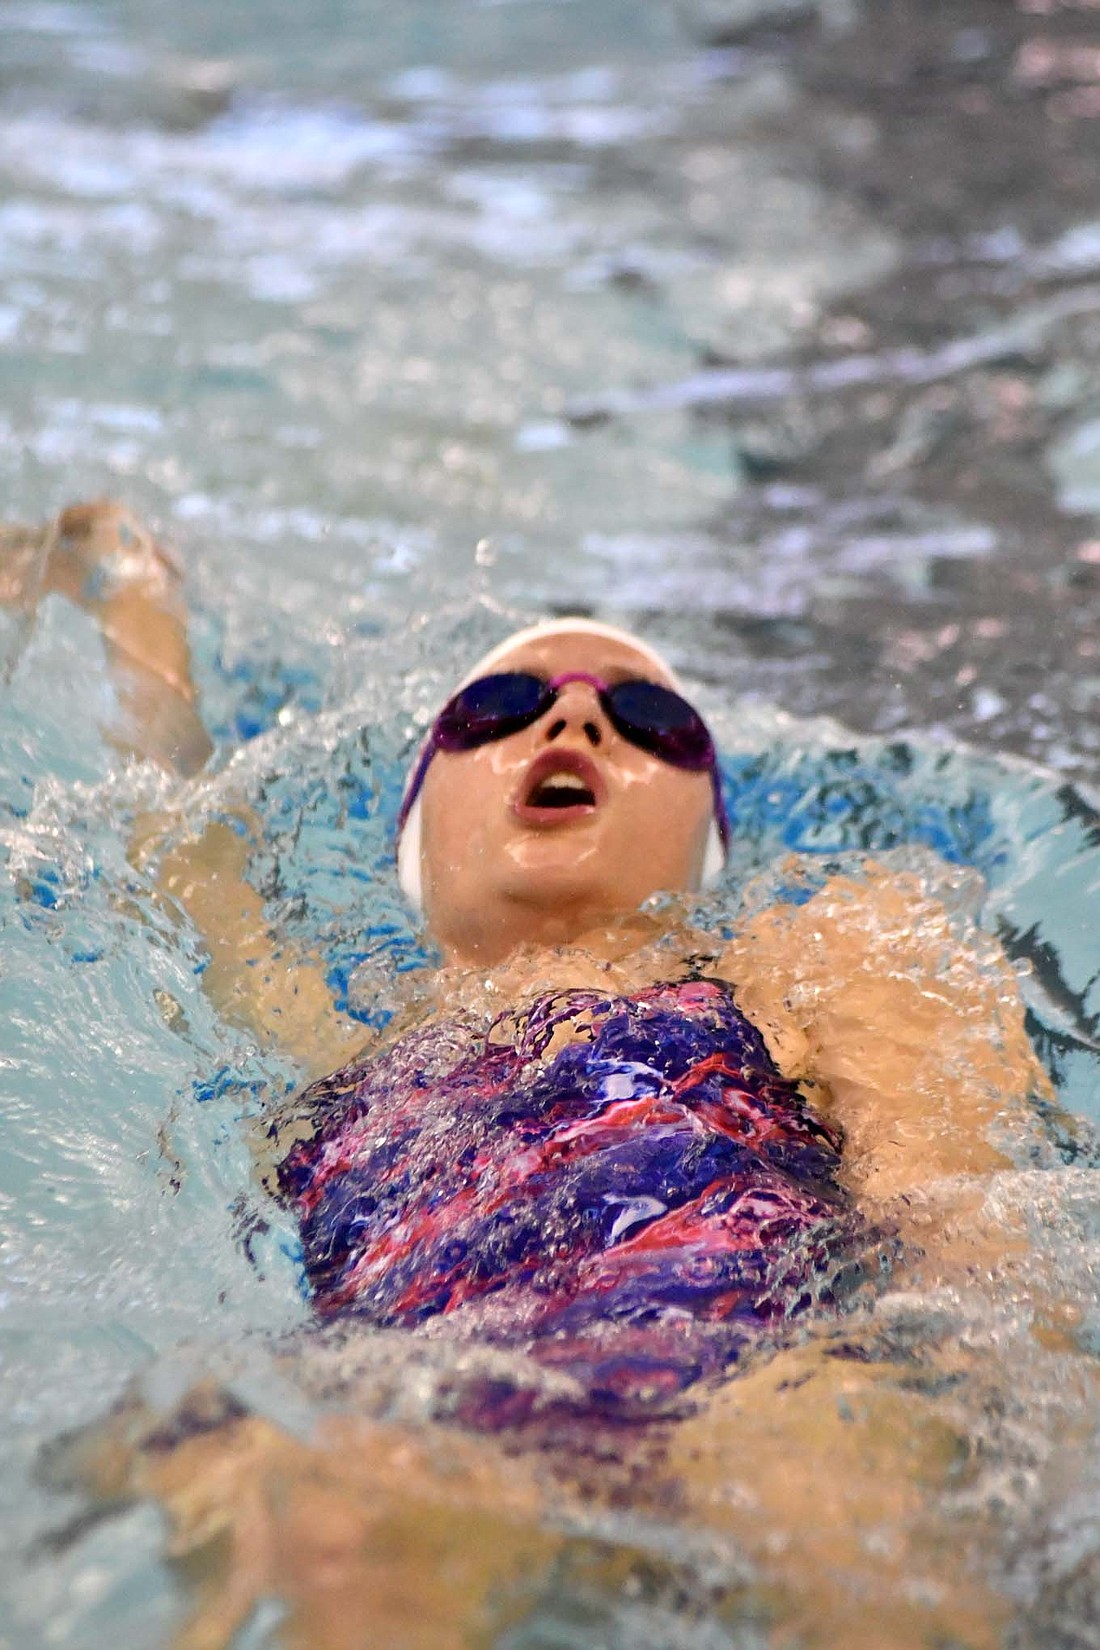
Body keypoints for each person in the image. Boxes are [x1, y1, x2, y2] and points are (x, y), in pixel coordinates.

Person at [8, 501, 1064, 1650]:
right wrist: (126, 585)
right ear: (425, 823)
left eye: (651, 719)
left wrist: (1022, 1434)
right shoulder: (327, 1041)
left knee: (836, 1476)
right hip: (423, 1413)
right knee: (309, 1491)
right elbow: (174, 831)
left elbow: (958, 1229)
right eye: (497, 709)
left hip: (751, 1385)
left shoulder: (805, 956)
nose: (572, 712)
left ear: (699, 836)